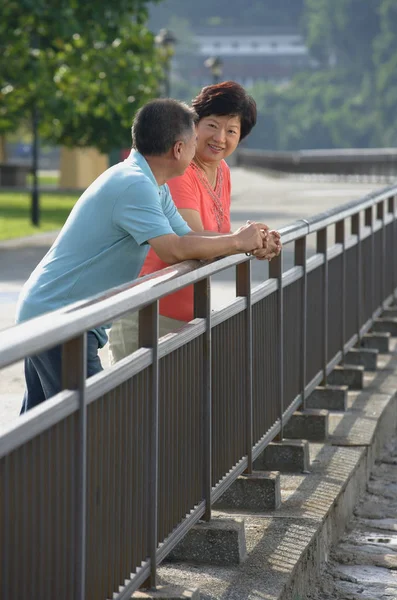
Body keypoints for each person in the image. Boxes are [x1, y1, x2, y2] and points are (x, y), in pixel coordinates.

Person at [16, 97, 272, 412]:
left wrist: (247, 239)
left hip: (57, 313)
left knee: (41, 431)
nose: (196, 151)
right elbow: (174, 249)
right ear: (178, 150)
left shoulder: (153, 183)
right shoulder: (134, 185)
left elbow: (188, 236)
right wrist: (236, 243)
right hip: (60, 319)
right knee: (97, 421)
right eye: (193, 142)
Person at [108, 82, 281, 363]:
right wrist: (243, 241)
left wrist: (255, 240)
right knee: (140, 406)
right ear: (193, 125)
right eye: (212, 125)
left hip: (188, 317)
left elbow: (219, 238)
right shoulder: (179, 169)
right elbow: (193, 240)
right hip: (149, 314)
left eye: (231, 131)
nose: (220, 138)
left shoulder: (222, 171)